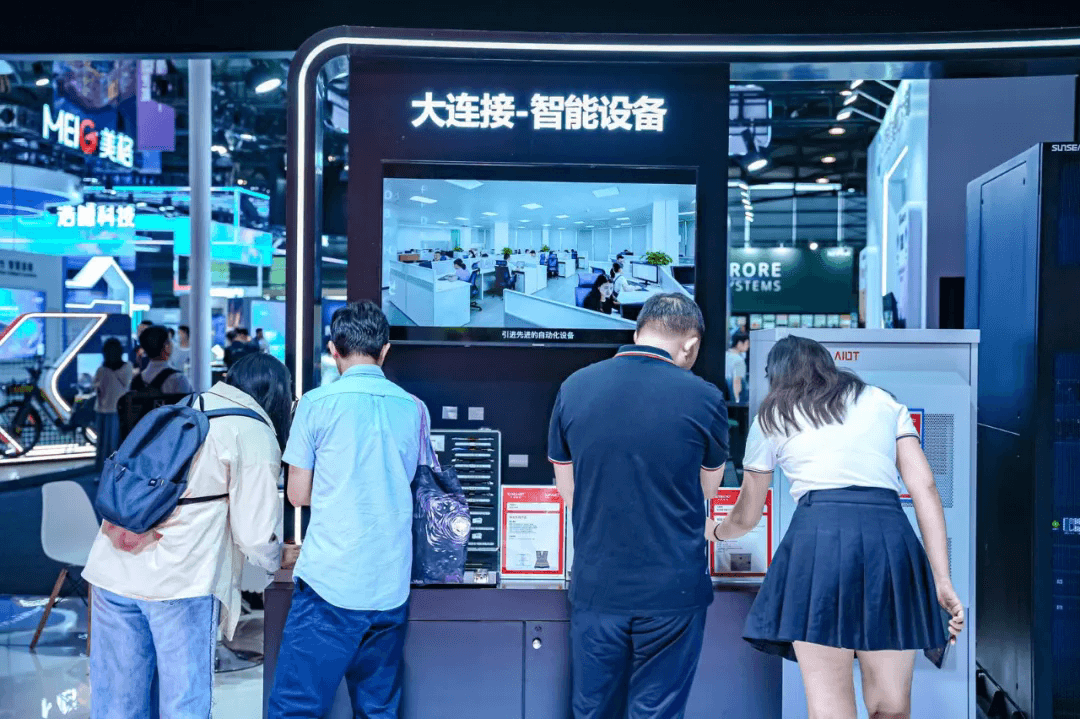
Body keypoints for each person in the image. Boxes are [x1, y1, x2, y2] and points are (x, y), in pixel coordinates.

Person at [711, 336, 964, 719]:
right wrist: (941, 579)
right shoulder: (882, 401)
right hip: (889, 543)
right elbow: (925, 487)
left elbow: (746, 516)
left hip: (817, 545)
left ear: (775, 375)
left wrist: (715, 531)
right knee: (892, 707)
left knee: (830, 709)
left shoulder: (773, 414)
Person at [84, 352, 296, 719]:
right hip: (180, 582)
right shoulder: (253, 432)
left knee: (116, 706)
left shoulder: (185, 406)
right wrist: (278, 558)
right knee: (184, 706)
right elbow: (256, 535)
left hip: (112, 568)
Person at [548, 293, 729, 719]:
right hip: (673, 589)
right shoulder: (704, 398)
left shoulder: (574, 387)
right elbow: (708, 489)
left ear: (637, 333)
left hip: (597, 584)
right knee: (656, 712)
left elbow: (567, 489)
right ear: (690, 345)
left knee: (592, 709)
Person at [268, 300, 427, 719]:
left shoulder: (316, 404)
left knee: (296, 708)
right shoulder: (413, 407)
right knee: (377, 710)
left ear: (333, 350)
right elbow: (411, 481)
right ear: (385, 349)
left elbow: (297, 494)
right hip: (390, 585)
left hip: (329, 584)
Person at [93, 338, 133, 471]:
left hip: (103, 410)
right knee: (116, 442)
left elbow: (97, 389)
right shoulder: (127, 367)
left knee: (103, 443)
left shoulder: (101, 370)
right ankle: (116, 469)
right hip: (119, 410)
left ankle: (103, 468)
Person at [134, 325, 194, 395]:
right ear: (166, 347)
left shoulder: (137, 380)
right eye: (170, 340)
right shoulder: (178, 379)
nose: (173, 343)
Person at [725, 331, 750, 403]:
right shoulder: (739, 360)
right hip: (734, 397)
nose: (748, 346)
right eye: (747, 343)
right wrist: (737, 400)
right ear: (739, 344)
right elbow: (737, 381)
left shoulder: (726, 355)